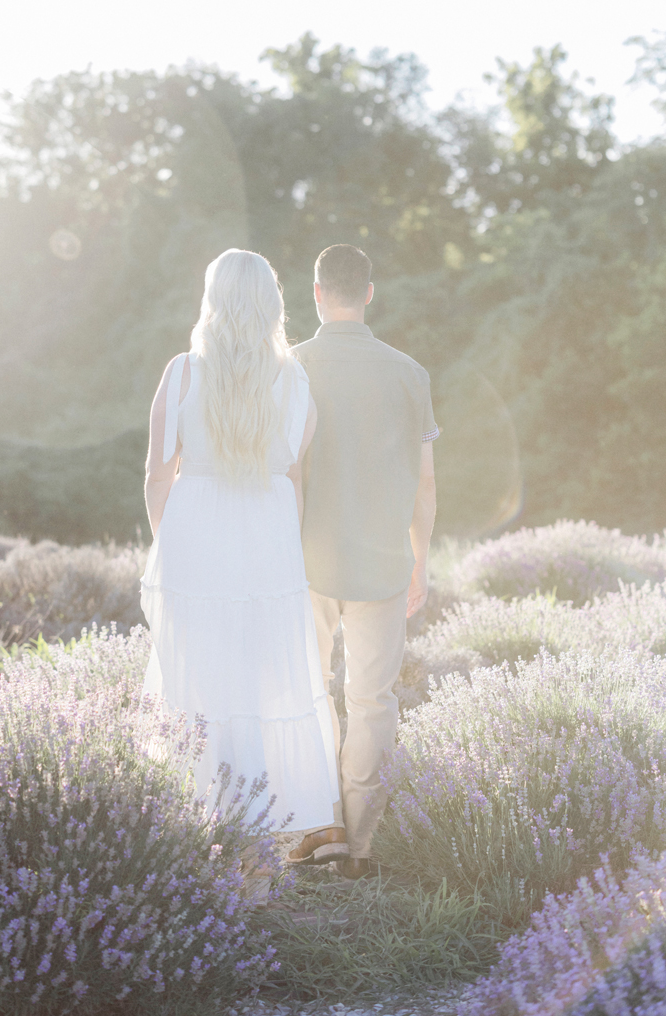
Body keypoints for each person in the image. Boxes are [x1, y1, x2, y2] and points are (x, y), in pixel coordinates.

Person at [141, 248, 343, 863]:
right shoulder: (296, 379)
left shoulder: (181, 372)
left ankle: (206, 834)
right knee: (260, 685)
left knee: (201, 682)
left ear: (213, 300)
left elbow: (157, 473)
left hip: (197, 542)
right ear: (272, 303)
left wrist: (165, 543)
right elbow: (295, 478)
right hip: (267, 543)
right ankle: (259, 847)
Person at [285, 244, 438, 880]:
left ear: (317, 293)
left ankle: (317, 831)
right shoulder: (410, 372)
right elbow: (425, 482)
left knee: (308, 691)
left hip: (306, 561)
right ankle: (360, 848)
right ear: (369, 293)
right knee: (372, 702)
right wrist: (421, 558)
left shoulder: (291, 367)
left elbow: (287, 469)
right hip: (382, 560)